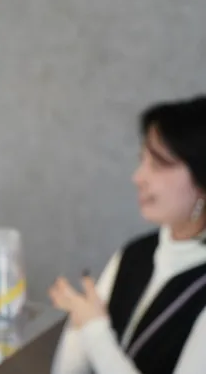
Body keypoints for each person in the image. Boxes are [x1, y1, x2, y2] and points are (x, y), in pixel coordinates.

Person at [50, 95, 206, 374]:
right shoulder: (135, 254)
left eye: (157, 165)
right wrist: (80, 326)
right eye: (141, 161)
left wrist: (94, 329)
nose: (138, 177)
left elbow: (94, 332)